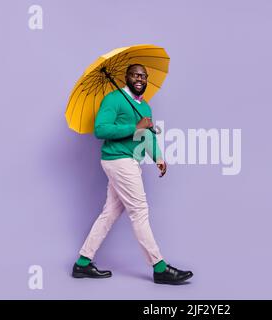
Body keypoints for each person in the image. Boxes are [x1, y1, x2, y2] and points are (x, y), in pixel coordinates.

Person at [71, 64, 193, 285]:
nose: (140, 79)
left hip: (131, 161)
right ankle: (160, 267)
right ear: (126, 77)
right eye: (135, 75)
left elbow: (146, 136)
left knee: (109, 213)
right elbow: (101, 129)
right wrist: (134, 126)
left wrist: (158, 157)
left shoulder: (145, 107)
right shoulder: (113, 99)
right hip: (117, 160)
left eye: (143, 76)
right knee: (139, 211)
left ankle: (82, 263)